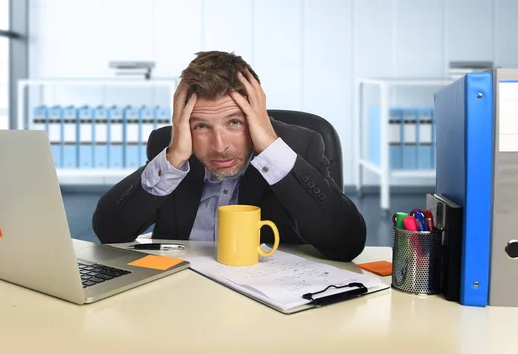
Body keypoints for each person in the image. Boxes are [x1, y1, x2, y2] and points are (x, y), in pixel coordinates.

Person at [92, 51, 366, 261]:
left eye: (234, 123)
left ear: (257, 115)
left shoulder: (299, 145)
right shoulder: (171, 147)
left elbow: (346, 243)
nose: (219, 146)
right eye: (201, 126)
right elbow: (109, 231)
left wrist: (271, 148)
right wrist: (173, 159)